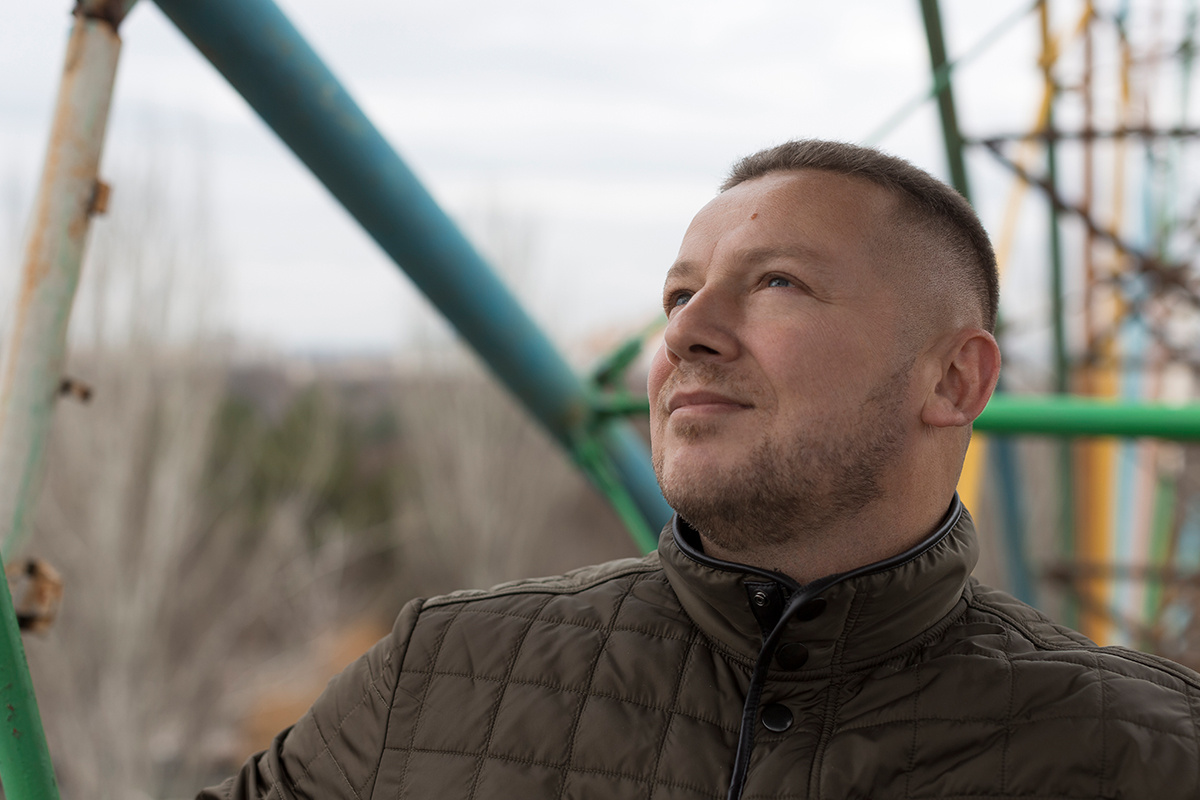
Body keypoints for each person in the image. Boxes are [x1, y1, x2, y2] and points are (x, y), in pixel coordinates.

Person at [200, 140, 1200, 800]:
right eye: (679, 294)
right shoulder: (435, 675)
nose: (685, 332)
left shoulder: (1149, 755)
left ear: (953, 378)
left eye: (777, 283)